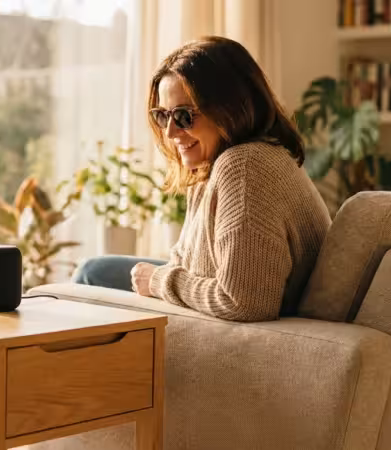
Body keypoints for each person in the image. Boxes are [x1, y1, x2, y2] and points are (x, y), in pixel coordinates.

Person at [72, 36, 331, 322]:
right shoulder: (217, 164)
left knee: (90, 276)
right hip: (205, 293)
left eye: (184, 116)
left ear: (230, 108)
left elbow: (244, 302)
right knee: (93, 269)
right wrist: (163, 277)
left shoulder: (245, 165)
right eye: (162, 116)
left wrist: (159, 281)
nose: (170, 133)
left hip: (238, 322)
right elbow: (187, 263)